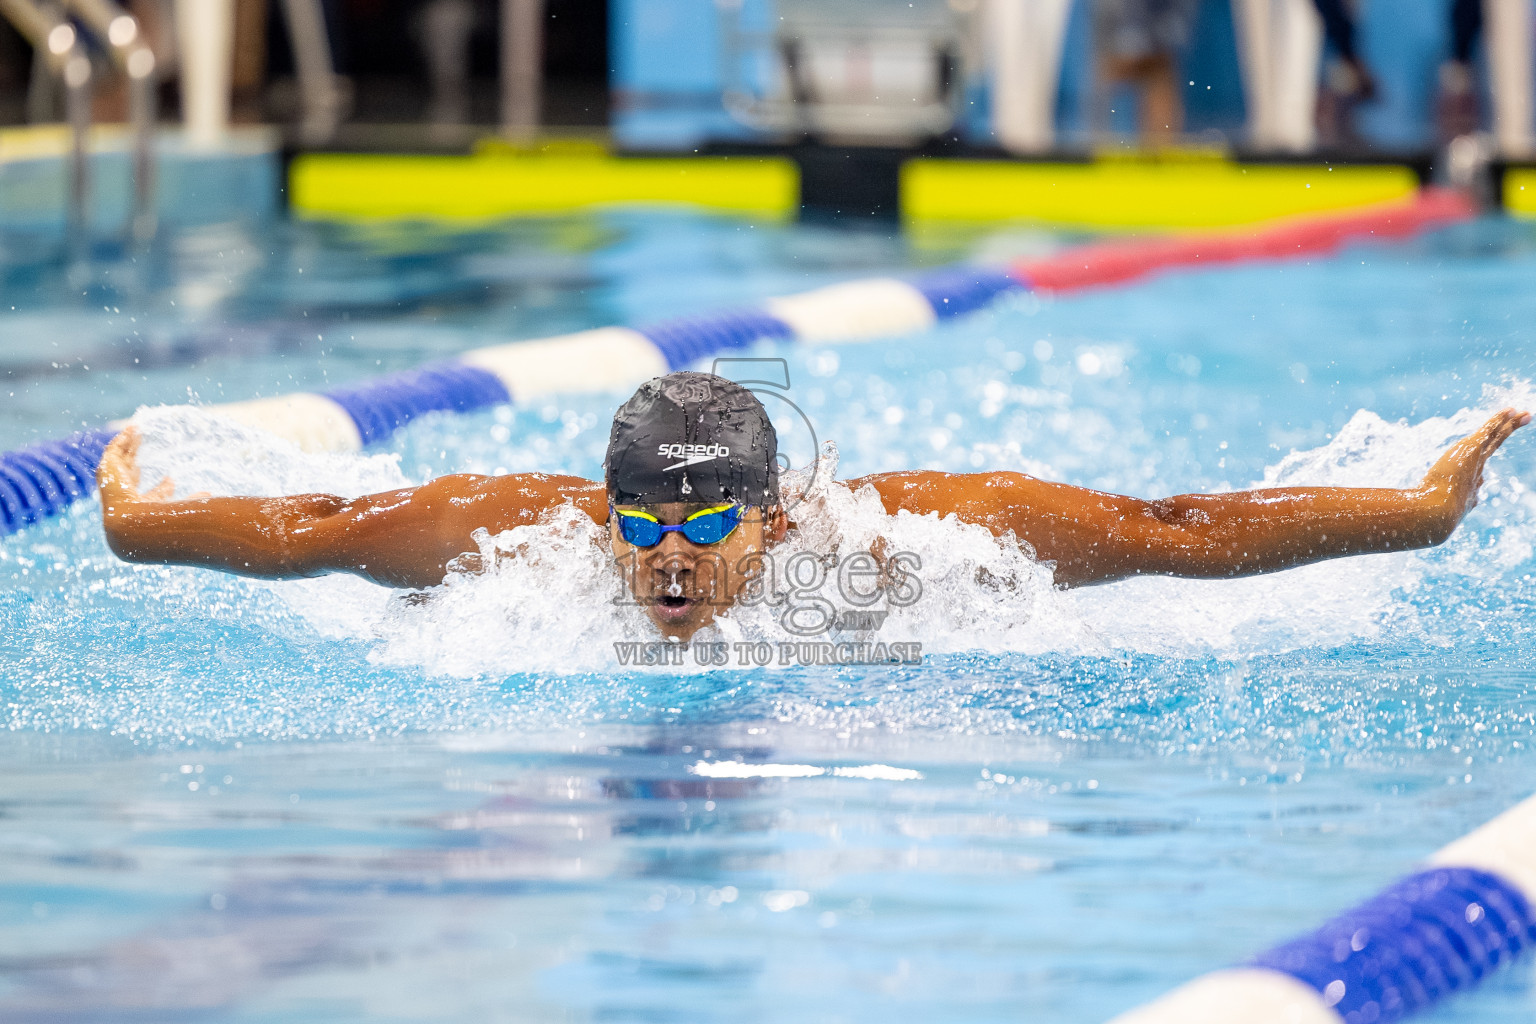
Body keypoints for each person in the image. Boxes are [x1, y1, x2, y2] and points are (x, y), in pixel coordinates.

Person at [98, 371, 1529, 643]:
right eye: (639, 527)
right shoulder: (519, 533)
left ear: (772, 523)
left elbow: (1172, 529)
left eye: (703, 528)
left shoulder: (905, 541)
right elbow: (315, 530)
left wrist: (1417, 510)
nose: (665, 561)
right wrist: (128, 514)